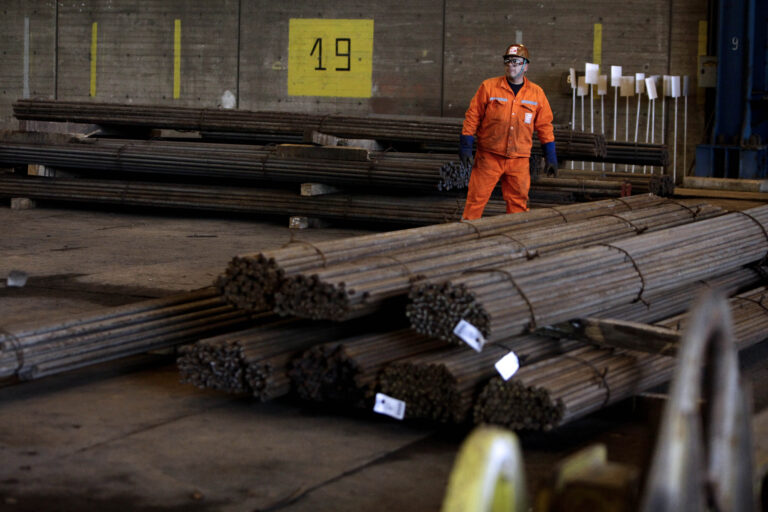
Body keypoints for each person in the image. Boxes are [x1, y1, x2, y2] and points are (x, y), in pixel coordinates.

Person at [459, 43, 558, 220]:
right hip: (488, 157)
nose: (511, 65)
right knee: (475, 202)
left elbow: (545, 126)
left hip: (519, 161)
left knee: (518, 206)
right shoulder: (488, 87)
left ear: (526, 66)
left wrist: (550, 156)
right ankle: (466, 241)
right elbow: (472, 117)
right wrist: (466, 146)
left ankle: (515, 240)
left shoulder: (537, 94)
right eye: (507, 61)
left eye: (516, 61)